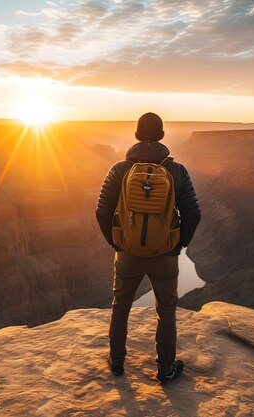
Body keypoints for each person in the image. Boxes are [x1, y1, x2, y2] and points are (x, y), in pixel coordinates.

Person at [95, 112, 201, 383]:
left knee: (120, 307)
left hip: (127, 254)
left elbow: (102, 210)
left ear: (136, 135)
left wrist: (115, 241)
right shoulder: (177, 171)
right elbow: (193, 213)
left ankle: (117, 363)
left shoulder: (119, 169)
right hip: (164, 255)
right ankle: (165, 369)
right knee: (166, 312)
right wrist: (178, 246)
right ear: (162, 136)